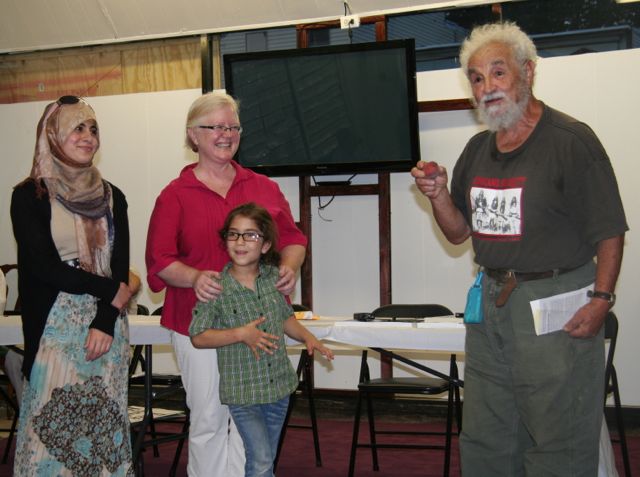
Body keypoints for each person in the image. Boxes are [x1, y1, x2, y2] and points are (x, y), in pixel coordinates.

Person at [411, 22, 627, 477]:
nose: (486, 87)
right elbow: (457, 234)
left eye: (498, 72)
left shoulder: (571, 141)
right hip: (490, 305)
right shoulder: (478, 148)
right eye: (475, 77)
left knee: (557, 434)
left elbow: (609, 230)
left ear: (527, 73)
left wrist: (602, 299)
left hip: (555, 300)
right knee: (487, 432)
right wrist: (438, 194)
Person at [145, 91, 307, 476]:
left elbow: (294, 239)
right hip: (198, 326)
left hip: (257, 324)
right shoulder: (174, 195)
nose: (225, 134)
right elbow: (160, 262)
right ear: (193, 135)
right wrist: (195, 277)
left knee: (253, 427)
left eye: (232, 126)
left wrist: (289, 266)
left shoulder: (264, 188)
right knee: (210, 420)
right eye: (215, 126)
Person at [10, 96, 134, 475]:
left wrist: (105, 318)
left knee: (102, 426)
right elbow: (42, 266)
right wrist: (110, 291)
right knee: (51, 426)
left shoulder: (113, 195)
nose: (88, 137)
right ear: (52, 136)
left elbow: (120, 266)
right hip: (55, 325)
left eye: (93, 129)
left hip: (106, 326)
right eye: (77, 128)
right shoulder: (30, 195)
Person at [189, 202, 333, 477]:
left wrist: (309, 337)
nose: (241, 242)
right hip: (244, 394)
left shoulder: (272, 279)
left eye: (251, 235)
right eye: (234, 234)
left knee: (266, 457)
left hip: (279, 388)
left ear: (265, 245)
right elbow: (198, 337)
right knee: (262, 459)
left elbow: (285, 318)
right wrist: (242, 334)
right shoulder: (216, 286)